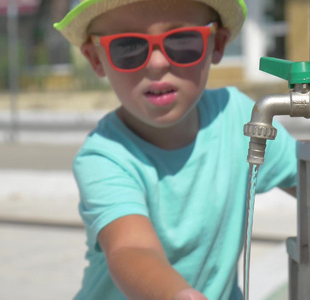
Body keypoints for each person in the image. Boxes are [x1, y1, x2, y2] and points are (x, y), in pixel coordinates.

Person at [54, 0, 297, 299]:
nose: (157, 63)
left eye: (182, 41)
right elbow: (131, 248)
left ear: (216, 43)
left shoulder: (237, 117)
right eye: (128, 46)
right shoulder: (104, 157)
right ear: (96, 59)